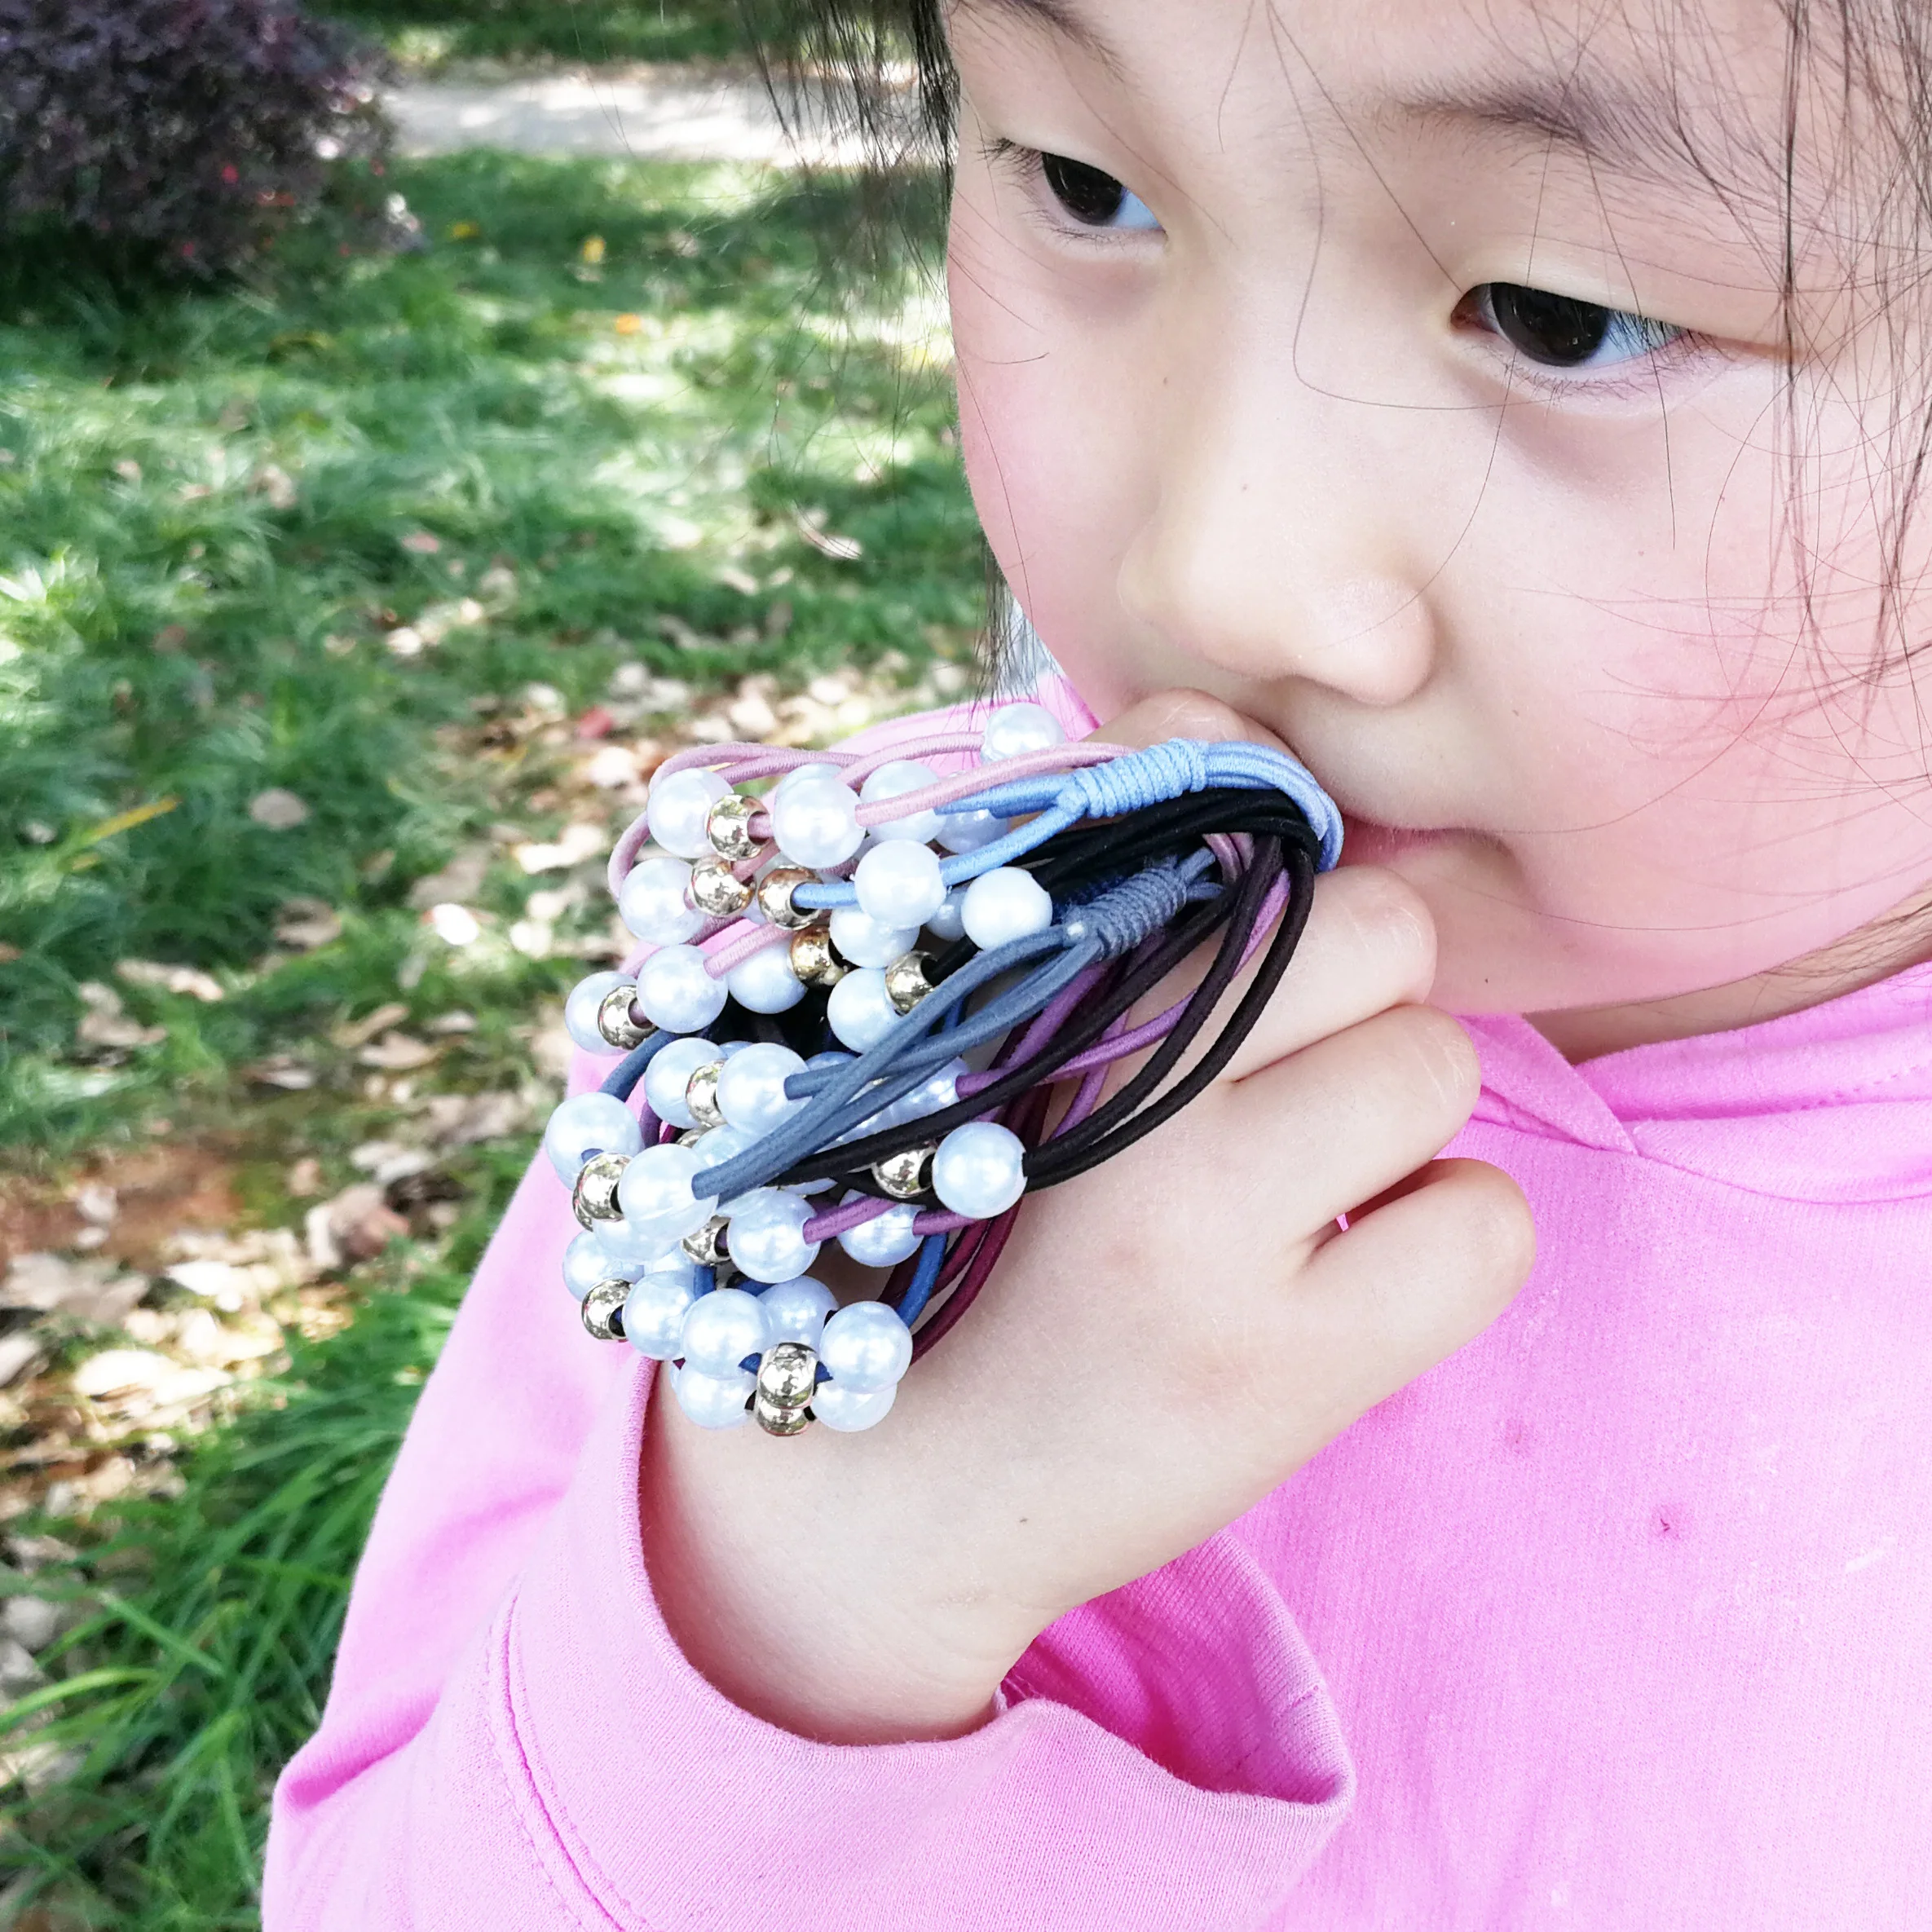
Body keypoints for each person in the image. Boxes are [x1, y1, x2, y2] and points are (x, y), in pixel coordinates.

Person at [263, 1, 1932, 1924]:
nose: (1215, 571)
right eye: (1083, 181)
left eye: (1562, 315)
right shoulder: (881, 1019)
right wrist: (806, 1608)